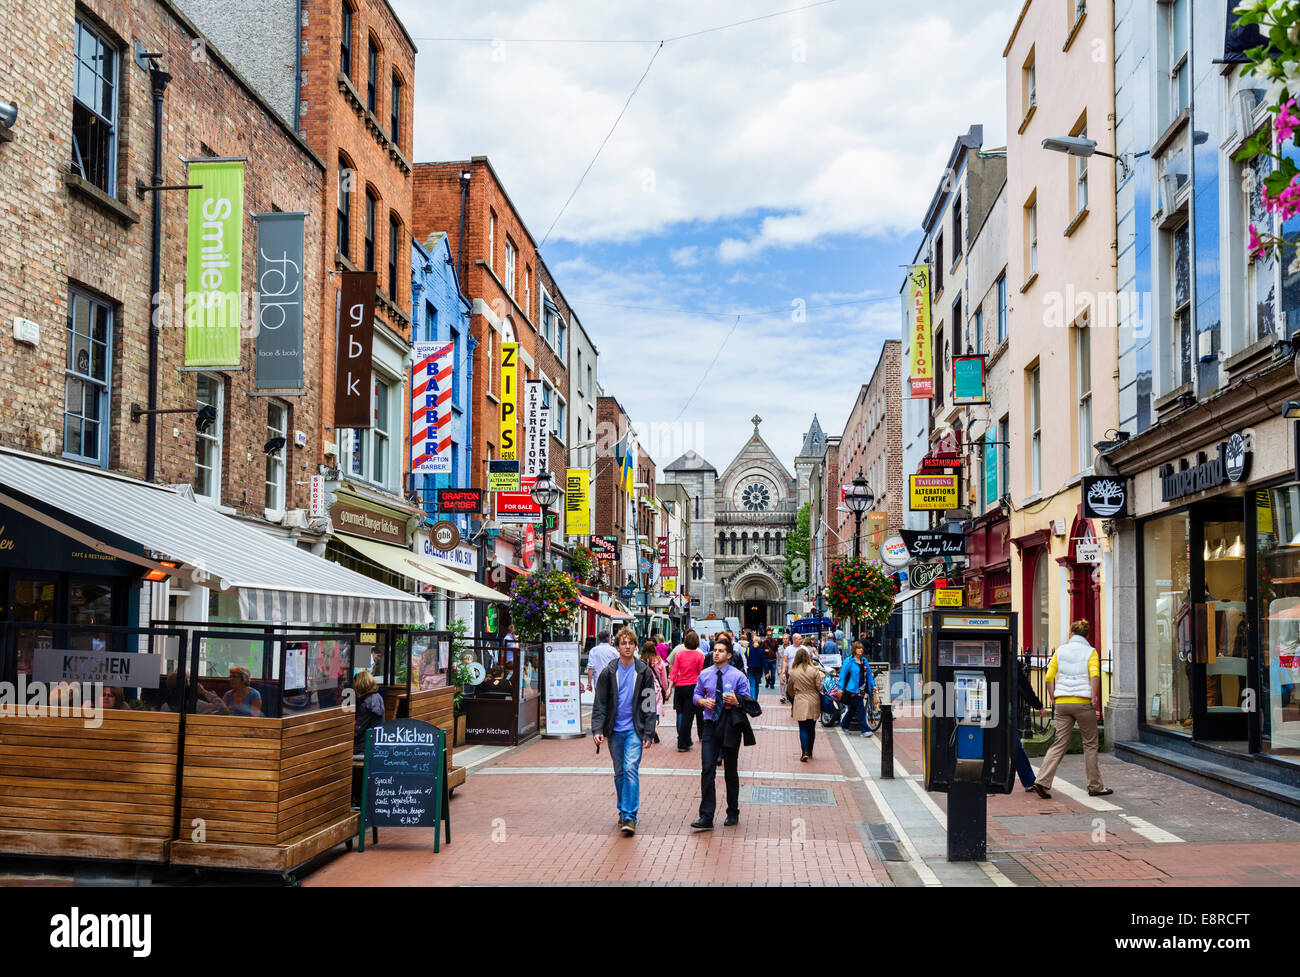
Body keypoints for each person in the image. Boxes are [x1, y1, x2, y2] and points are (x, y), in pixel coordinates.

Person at [1033, 620, 1111, 798]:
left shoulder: (1060, 651)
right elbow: (1095, 675)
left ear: (1071, 633)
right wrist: (1093, 697)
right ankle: (1095, 785)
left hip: (1062, 702)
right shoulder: (1090, 652)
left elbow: (1049, 677)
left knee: (1059, 742)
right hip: (1082, 702)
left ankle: (1042, 780)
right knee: (1090, 744)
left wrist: (1053, 697)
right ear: (1087, 635)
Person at [592, 627, 658, 835]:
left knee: (630, 768)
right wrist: (597, 729)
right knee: (620, 771)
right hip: (614, 730)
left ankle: (629, 816)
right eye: (623, 643)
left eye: (631, 643)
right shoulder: (609, 671)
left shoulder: (643, 671)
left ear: (635, 645)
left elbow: (648, 702)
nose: (627, 647)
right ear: (618, 646)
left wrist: (648, 731)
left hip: (634, 729)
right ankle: (622, 810)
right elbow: (600, 702)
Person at [690, 636, 756, 830]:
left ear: (728, 655)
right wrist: (702, 702)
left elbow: (748, 700)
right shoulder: (705, 674)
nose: (716, 653)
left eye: (720, 651)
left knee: (730, 771)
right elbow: (696, 695)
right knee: (707, 768)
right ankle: (706, 815)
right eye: (714, 650)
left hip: (730, 724)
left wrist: (737, 701)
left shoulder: (737, 676)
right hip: (710, 724)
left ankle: (732, 812)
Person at [669, 630, 706, 751]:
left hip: (680, 687)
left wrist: (669, 687)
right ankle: (682, 743)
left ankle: (686, 740)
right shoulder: (700, 656)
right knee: (688, 717)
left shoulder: (680, 655)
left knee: (681, 713)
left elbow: (674, 671)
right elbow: (701, 674)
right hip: (693, 686)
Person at [787, 647, 823, 762]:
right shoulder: (814, 670)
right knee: (811, 727)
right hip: (813, 699)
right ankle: (810, 751)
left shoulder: (793, 672)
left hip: (800, 699)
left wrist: (794, 696)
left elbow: (790, 689)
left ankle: (804, 751)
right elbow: (820, 687)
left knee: (802, 727)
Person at [837, 641, 874, 737]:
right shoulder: (849, 661)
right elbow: (842, 674)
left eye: (861, 648)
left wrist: (873, 685)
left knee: (852, 709)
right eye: (858, 648)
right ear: (854, 650)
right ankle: (865, 730)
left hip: (862, 689)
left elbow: (869, 674)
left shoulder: (864, 660)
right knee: (860, 708)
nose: (861, 650)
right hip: (852, 689)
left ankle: (844, 725)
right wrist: (840, 688)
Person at [641, 640, 671, 743]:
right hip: (657, 688)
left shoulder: (641, 661)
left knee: (646, 710)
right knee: (656, 710)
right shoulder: (659, 661)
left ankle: (647, 730)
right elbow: (663, 678)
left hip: (645, 689)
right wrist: (666, 690)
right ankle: (655, 726)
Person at [352, 669, 385, 753]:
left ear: (359, 686)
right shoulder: (378, 697)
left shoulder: (366, 704)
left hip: (363, 747)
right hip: (374, 743)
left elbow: (357, 730)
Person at [745, 632, 766, 700]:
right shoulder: (761, 651)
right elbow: (764, 662)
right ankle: (755, 699)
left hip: (751, 669)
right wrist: (766, 671)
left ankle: (753, 699)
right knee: (757, 686)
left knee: (752, 685)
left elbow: (745, 659)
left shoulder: (748, 650)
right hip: (759, 670)